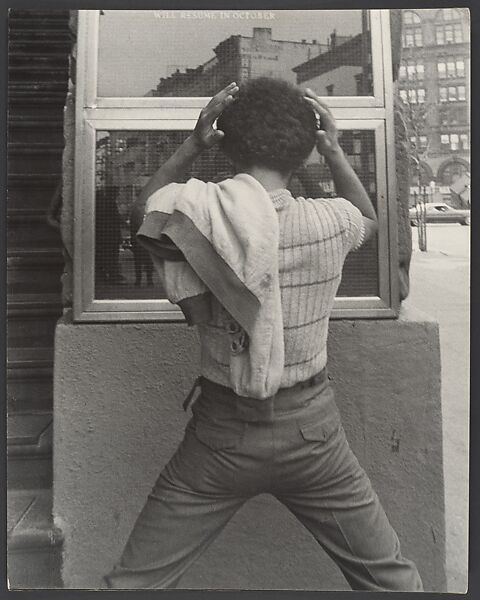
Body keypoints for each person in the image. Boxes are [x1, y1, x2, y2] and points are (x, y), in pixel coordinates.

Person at [103, 78, 423, 591]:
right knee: (391, 580)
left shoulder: (198, 213)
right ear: (303, 150)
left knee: (133, 584)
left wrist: (193, 143)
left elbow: (144, 212)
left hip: (219, 433)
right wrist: (335, 150)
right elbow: (369, 218)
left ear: (226, 143)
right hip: (313, 432)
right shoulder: (329, 222)